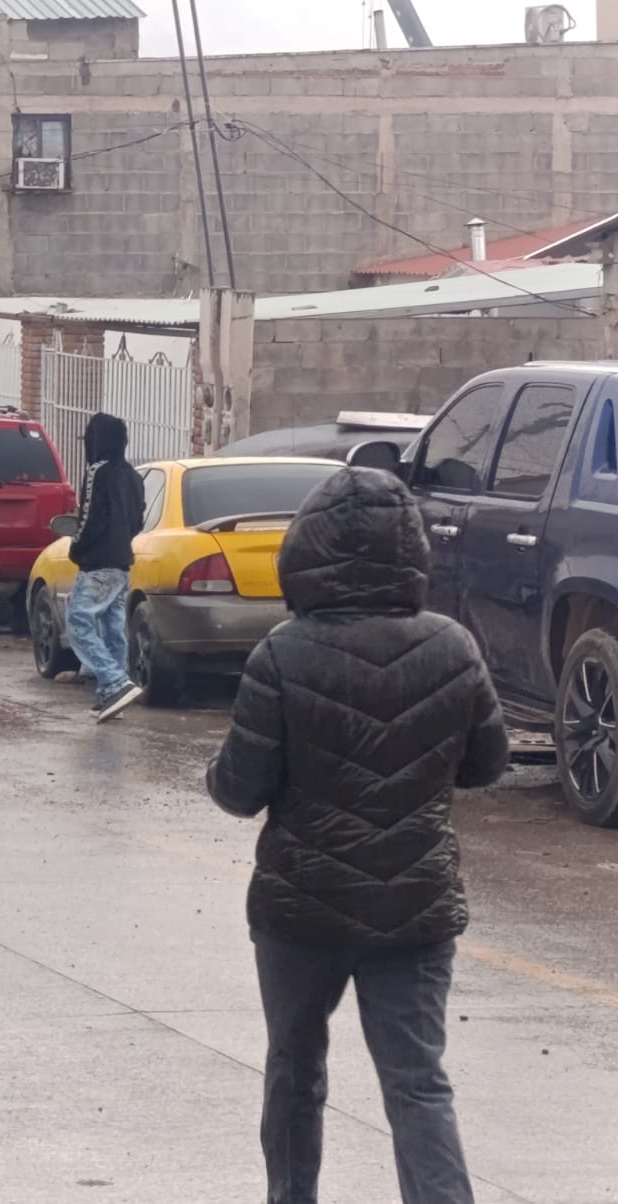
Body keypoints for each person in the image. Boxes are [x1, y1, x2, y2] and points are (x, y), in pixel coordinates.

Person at [205, 468, 508, 1204]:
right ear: (411, 553)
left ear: (307, 551)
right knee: (417, 1083)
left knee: (294, 1070)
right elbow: (486, 765)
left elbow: (240, 790)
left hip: (301, 910)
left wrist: (216, 772)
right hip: (415, 908)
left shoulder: (282, 652)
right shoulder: (454, 647)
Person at [66, 412, 145, 722]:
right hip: (122, 562)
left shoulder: (97, 471)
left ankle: (114, 682)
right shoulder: (134, 476)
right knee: (113, 627)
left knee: (78, 620)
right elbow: (138, 521)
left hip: (97, 562)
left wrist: (76, 547)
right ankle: (109, 696)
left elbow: (89, 518)